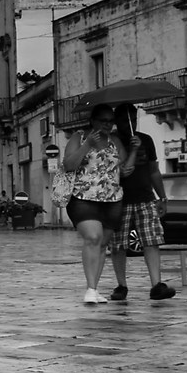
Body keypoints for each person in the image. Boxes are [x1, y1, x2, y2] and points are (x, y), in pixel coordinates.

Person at [58, 108, 129, 305]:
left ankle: (94, 288)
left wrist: (134, 151)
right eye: (103, 120)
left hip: (112, 199)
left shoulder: (115, 141)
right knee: (93, 237)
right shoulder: (79, 137)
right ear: (93, 120)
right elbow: (69, 165)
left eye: (111, 120)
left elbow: (123, 168)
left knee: (102, 244)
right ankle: (90, 289)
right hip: (82, 198)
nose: (107, 124)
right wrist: (87, 145)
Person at [113, 116, 175, 301]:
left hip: (145, 197)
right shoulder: (113, 140)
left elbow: (153, 170)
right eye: (125, 120)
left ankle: (156, 284)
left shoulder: (146, 140)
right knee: (118, 244)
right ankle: (121, 285)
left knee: (151, 240)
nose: (129, 124)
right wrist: (132, 150)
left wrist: (161, 197)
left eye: (132, 119)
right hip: (119, 199)